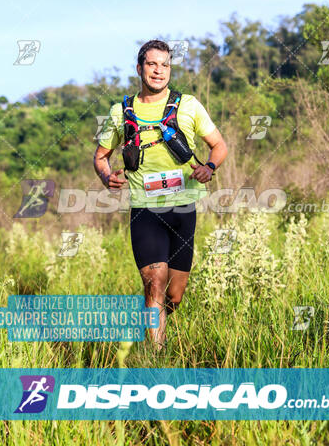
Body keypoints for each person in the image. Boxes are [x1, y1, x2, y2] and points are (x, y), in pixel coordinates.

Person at [93, 40, 228, 348]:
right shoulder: (120, 112)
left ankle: (156, 321)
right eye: (152, 64)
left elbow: (219, 146)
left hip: (183, 210)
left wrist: (209, 167)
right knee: (155, 284)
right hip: (145, 211)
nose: (159, 71)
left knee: (174, 294)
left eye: (165, 65)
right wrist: (106, 177)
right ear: (140, 68)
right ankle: (157, 356)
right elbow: (100, 157)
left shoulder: (189, 105)